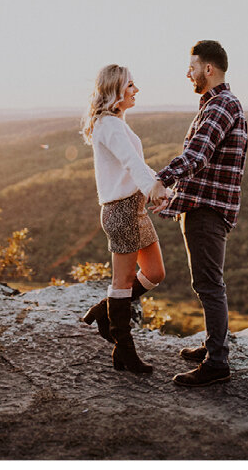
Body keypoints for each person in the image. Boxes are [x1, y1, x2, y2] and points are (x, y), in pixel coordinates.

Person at [151, 40, 248, 387]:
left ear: (208, 69)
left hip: (208, 211)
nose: (187, 73)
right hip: (201, 206)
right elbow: (202, 167)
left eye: (192, 67)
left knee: (209, 284)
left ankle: (217, 363)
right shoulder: (216, 104)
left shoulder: (221, 105)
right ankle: (212, 346)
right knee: (206, 282)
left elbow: (197, 156)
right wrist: (173, 197)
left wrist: (160, 179)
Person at [80, 63, 171, 374]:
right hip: (120, 212)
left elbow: (139, 166)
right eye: (130, 85)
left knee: (155, 272)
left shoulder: (117, 123)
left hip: (134, 208)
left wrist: (163, 188)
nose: (136, 90)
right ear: (115, 91)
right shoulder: (108, 125)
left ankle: (105, 312)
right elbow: (131, 163)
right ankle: (124, 350)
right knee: (122, 281)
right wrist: (153, 189)